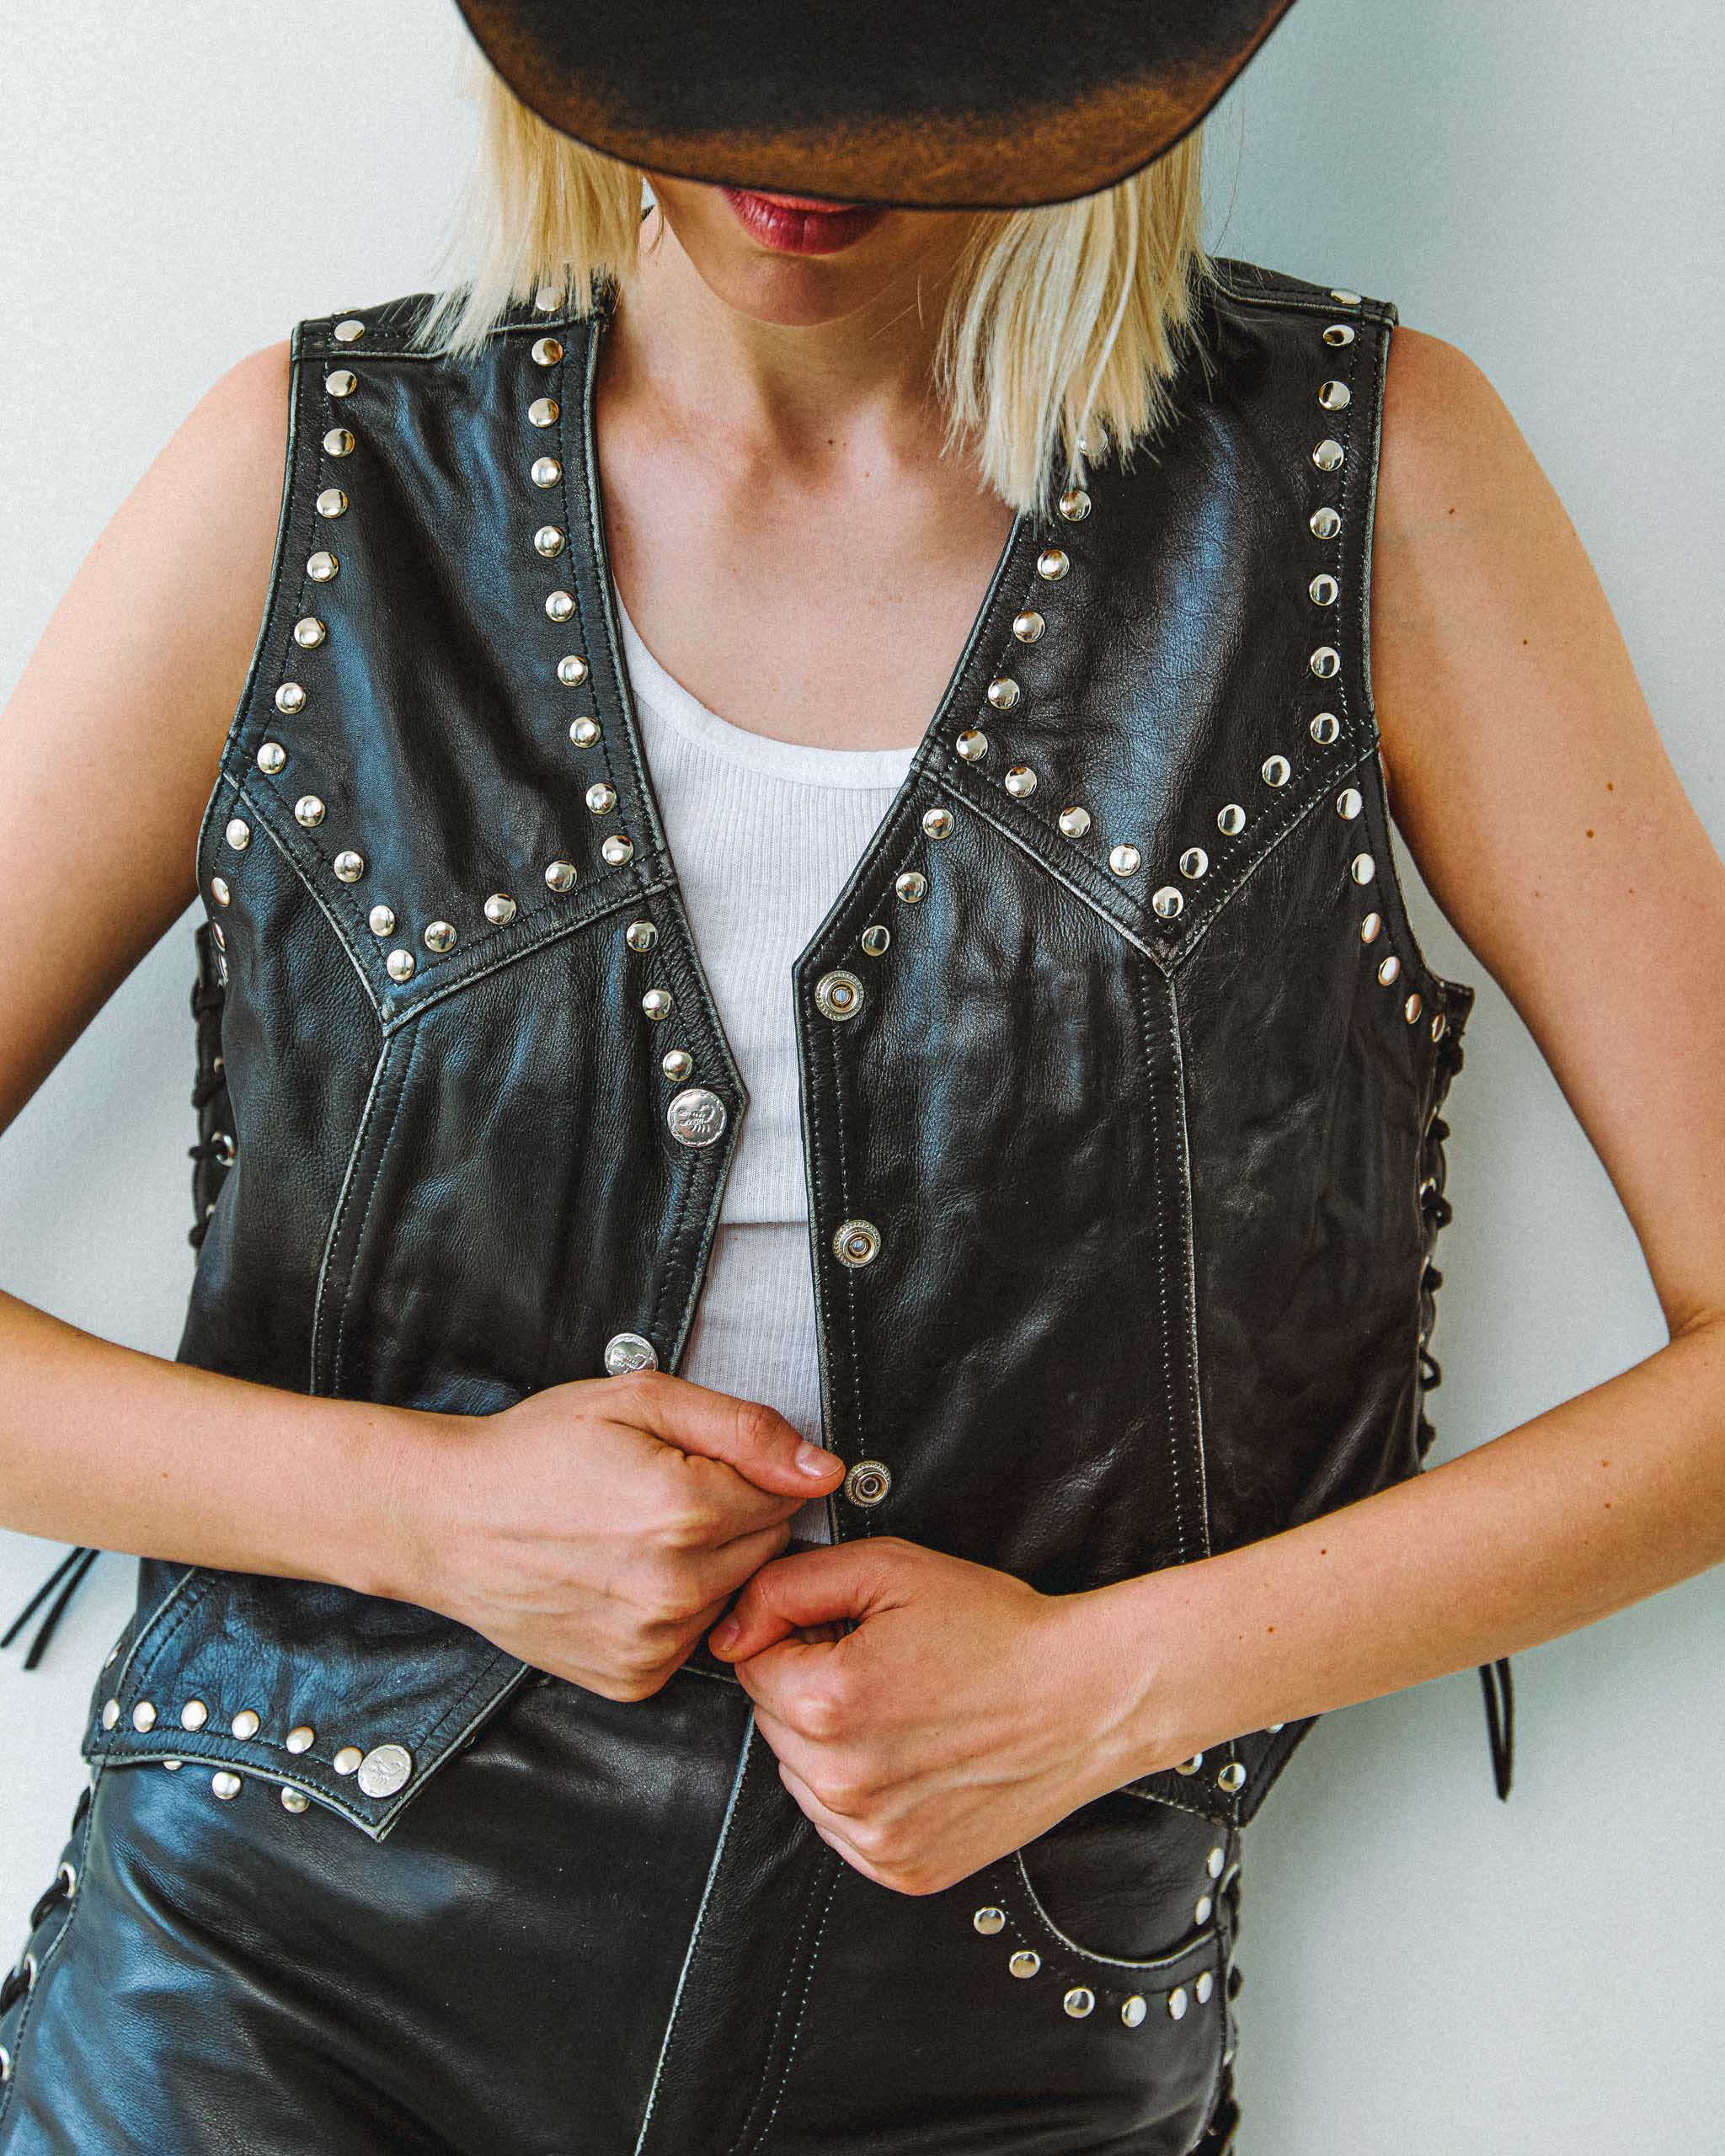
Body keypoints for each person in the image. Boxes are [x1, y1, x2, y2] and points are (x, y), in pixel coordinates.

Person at [3, 4, 1724, 2150]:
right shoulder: (319, 468)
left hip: (1006, 2039)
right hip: (262, 2013)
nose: (797, 151)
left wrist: (1101, 1684)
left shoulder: (1368, 483)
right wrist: (425, 1509)